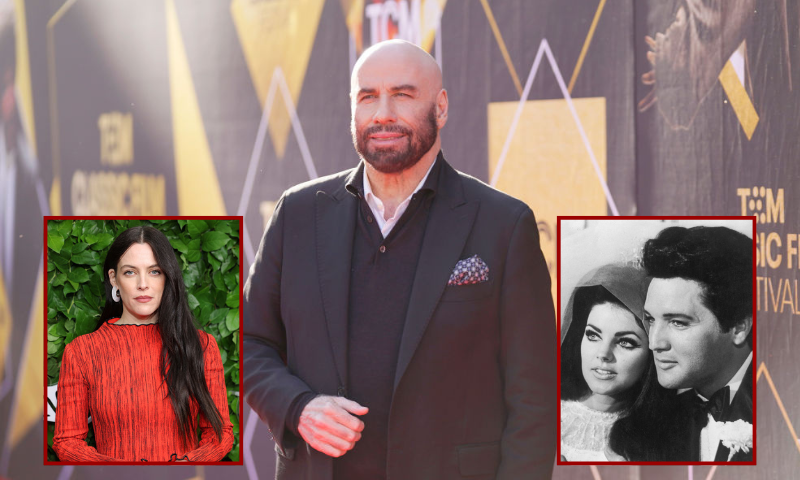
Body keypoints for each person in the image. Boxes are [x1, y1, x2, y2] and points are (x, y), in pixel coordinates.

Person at [243, 39, 555, 479]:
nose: (382, 113)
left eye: (403, 95)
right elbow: (250, 343)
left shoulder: (503, 224)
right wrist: (298, 407)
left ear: (441, 107)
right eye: (367, 97)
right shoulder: (298, 214)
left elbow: (535, 401)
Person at [53, 226, 234, 462]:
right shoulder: (82, 351)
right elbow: (67, 442)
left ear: (167, 277)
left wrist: (183, 467)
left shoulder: (201, 345)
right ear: (113, 279)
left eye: (154, 271)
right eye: (130, 272)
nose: (143, 284)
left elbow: (219, 435)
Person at [642, 226, 753, 461]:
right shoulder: (653, 426)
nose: (654, 343)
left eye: (678, 323)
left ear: (739, 328)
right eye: (650, 319)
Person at [560, 263, 657, 461]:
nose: (603, 354)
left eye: (625, 342)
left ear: (652, 353)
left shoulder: (665, 434)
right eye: (593, 335)